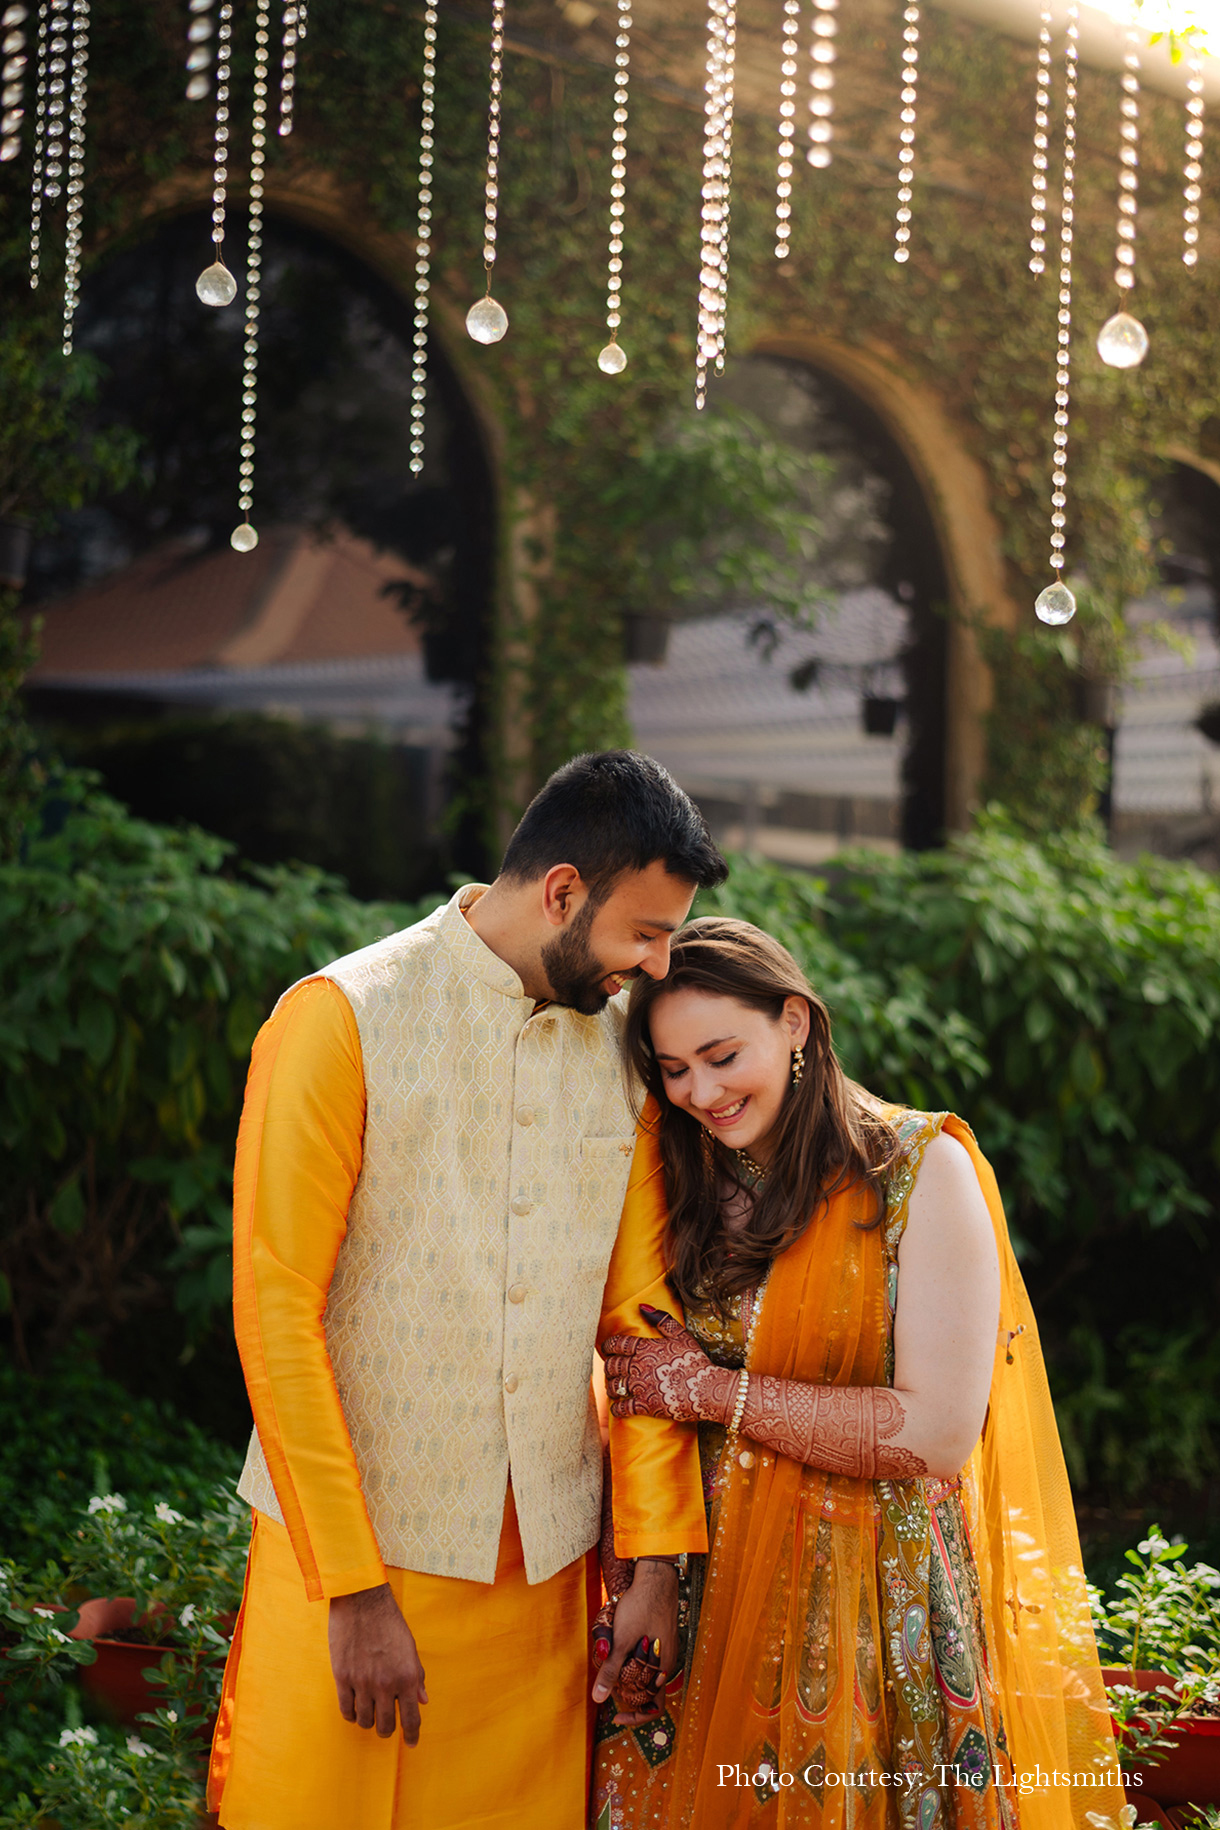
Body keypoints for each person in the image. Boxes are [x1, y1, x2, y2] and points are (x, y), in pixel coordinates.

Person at [205, 750, 728, 1830]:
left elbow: (638, 1325)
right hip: (353, 1572)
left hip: (541, 1592)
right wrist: (349, 1591)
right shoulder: (340, 1017)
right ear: (562, 892)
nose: (658, 961)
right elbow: (276, 1312)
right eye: (645, 930)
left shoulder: (625, 1065)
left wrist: (651, 1566)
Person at [593, 917, 1124, 1830]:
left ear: (795, 1021)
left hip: (874, 1598)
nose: (700, 1092)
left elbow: (936, 1433)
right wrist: (641, 1582)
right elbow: (639, 1385)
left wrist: (712, 1391)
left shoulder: (922, 1174)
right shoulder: (674, 1176)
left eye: (721, 1055)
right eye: (673, 1070)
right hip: (705, 1594)